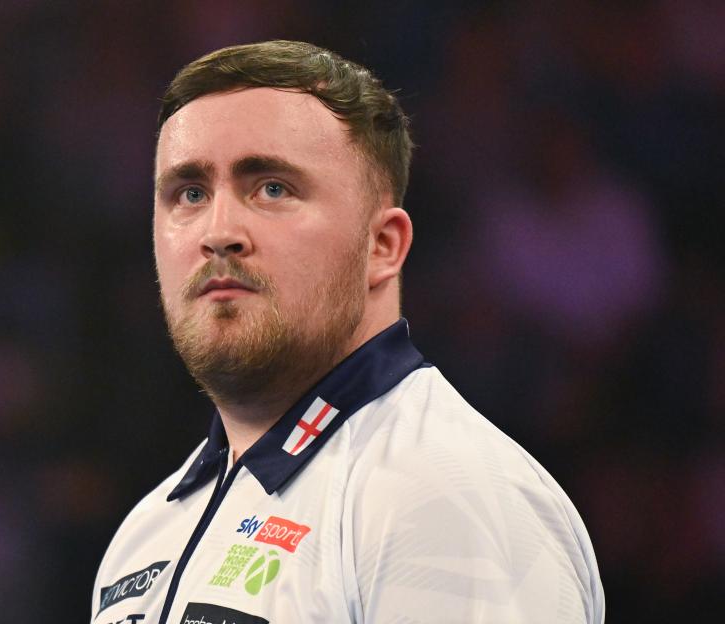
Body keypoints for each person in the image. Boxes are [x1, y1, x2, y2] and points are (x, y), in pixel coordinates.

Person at [91, 40, 605, 624]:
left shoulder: (446, 496)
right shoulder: (146, 532)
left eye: (272, 188)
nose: (219, 231)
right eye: (190, 193)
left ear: (382, 247)